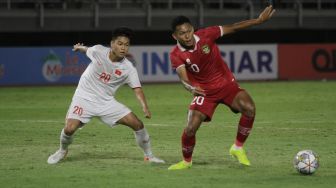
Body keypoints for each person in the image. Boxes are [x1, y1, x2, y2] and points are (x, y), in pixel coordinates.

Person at [168, 5, 275, 170]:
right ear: (175, 35)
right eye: (182, 33)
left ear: (193, 29)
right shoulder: (176, 54)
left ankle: (237, 148)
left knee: (249, 109)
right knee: (190, 129)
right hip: (204, 92)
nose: (187, 35)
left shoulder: (206, 34)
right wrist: (190, 88)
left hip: (226, 85)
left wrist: (259, 20)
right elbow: (183, 76)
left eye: (189, 30)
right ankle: (186, 161)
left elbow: (233, 27)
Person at [47, 27, 165, 164]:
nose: (123, 48)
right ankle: (62, 150)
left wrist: (145, 107)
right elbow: (88, 50)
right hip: (84, 97)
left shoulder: (128, 68)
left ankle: (149, 156)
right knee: (69, 129)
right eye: (120, 44)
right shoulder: (98, 51)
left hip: (106, 102)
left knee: (137, 124)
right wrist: (80, 48)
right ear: (112, 44)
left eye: (127, 45)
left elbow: (137, 88)